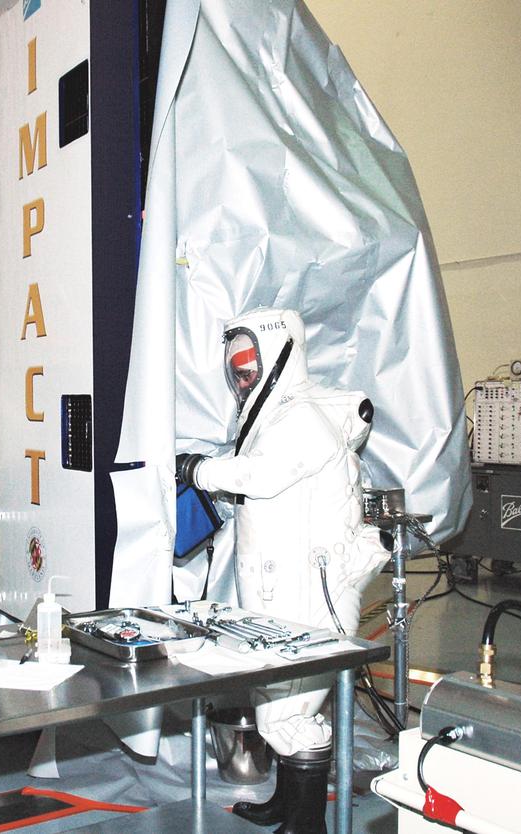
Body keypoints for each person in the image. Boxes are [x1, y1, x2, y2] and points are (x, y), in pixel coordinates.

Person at [177, 306, 389, 834]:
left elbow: (263, 476)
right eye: (236, 364)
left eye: (249, 361)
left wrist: (197, 469)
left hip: (311, 592)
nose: (241, 373)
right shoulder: (271, 414)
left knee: (288, 715)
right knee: (277, 702)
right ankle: (288, 804)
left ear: (278, 356)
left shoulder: (302, 419)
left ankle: (305, 824)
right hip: (279, 588)